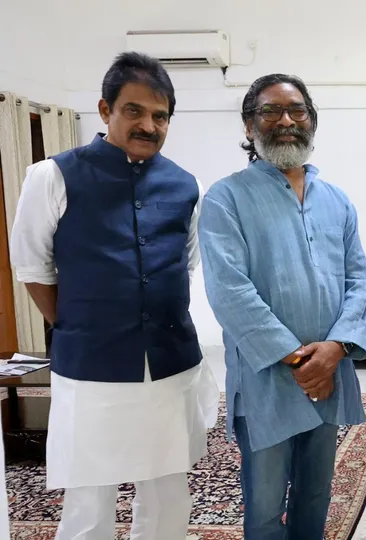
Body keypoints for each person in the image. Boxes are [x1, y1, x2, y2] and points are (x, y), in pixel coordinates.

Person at [8, 51, 219, 539]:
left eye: (160, 115)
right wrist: (78, 323)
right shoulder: (53, 176)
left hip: (170, 365)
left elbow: (185, 264)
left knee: (168, 490)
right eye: (134, 111)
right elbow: (32, 266)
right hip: (91, 368)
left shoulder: (188, 185)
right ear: (105, 110)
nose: (149, 124)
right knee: (89, 497)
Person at [198, 73, 366, 539]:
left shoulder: (336, 201)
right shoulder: (226, 198)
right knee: (264, 505)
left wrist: (335, 348)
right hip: (268, 380)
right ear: (248, 125)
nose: (286, 121)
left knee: (316, 494)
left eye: (297, 111)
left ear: (312, 120)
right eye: (271, 112)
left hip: (329, 373)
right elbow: (229, 291)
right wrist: (298, 359)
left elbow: (359, 278)